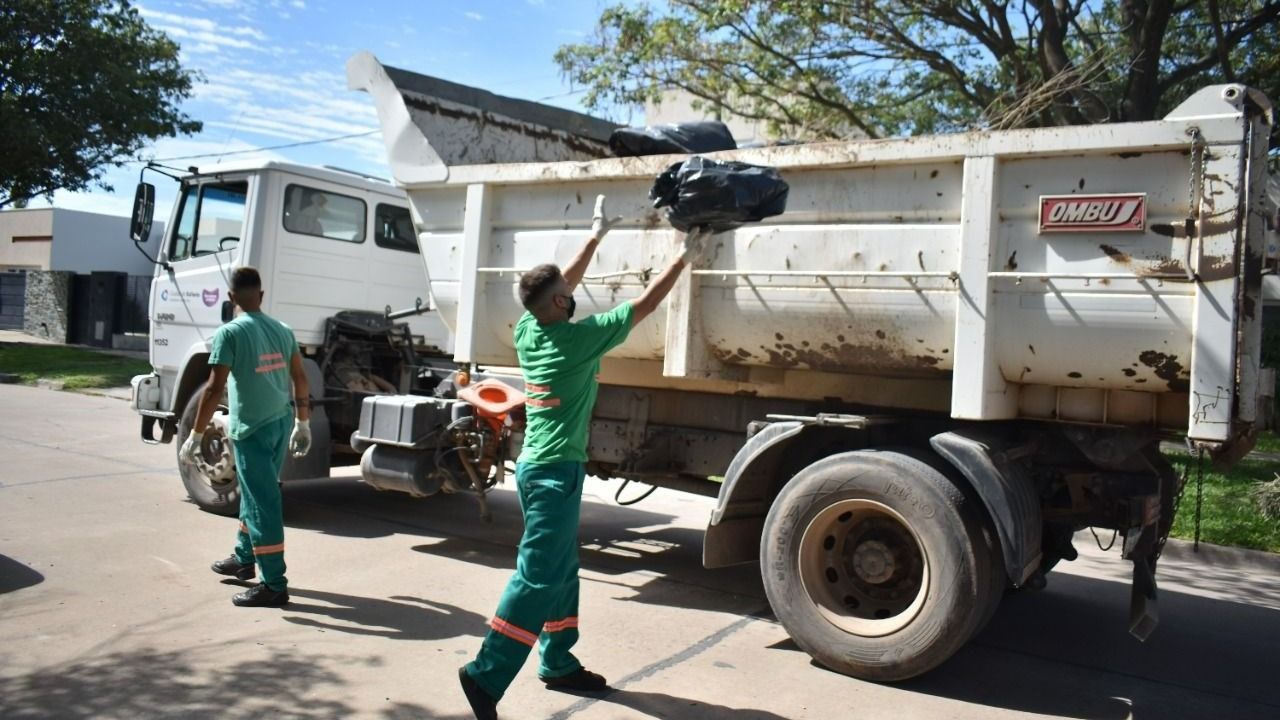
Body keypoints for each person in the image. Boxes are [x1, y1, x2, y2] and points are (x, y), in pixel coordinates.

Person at [459, 196, 708, 720]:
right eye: (565, 297)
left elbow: (556, 286)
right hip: (551, 475)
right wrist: (684, 258)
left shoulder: (530, 328)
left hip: (543, 468)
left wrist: (593, 238)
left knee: (562, 569)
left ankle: (558, 662)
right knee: (537, 577)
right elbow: (643, 306)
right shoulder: (577, 341)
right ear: (556, 306)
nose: (572, 298)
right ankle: (484, 674)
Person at [179, 266, 313, 608]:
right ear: (262, 296)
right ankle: (244, 557)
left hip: (251, 428)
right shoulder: (283, 330)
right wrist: (303, 421)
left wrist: (195, 435)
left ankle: (274, 584)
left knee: (262, 501)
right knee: (256, 493)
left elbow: (213, 389)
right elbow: (299, 377)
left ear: (231, 298)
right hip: (280, 423)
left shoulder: (230, 333)